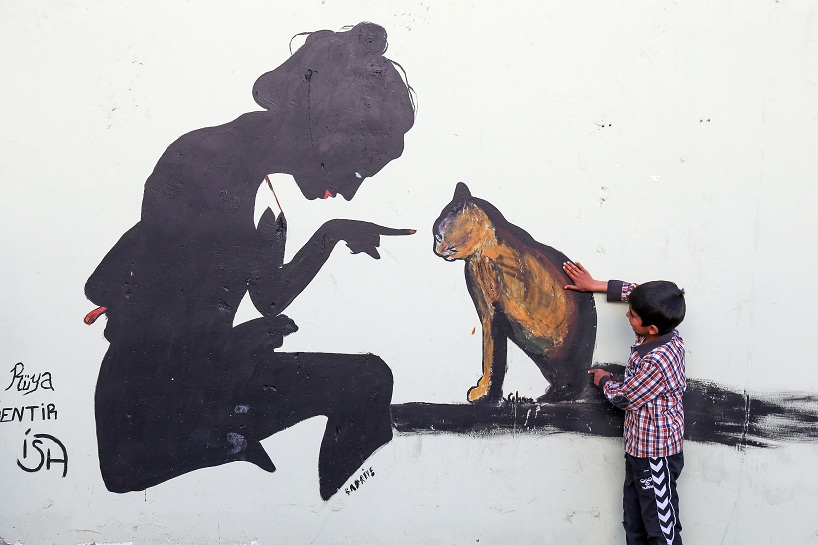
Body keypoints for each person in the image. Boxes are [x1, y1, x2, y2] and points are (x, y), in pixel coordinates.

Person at [84, 22, 415, 500]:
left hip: (203, 381)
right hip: (147, 412)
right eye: (359, 170)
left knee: (368, 380)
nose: (350, 189)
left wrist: (331, 233)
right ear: (326, 134)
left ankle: (338, 516)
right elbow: (152, 315)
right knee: (366, 383)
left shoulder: (263, 187)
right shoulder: (201, 161)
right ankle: (334, 513)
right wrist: (235, 344)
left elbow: (268, 297)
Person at [563, 261, 686, 545]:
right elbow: (637, 292)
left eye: (633, 315)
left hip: (656, 456)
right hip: (639, 450)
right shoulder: (665, 326)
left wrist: (604, 380)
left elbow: (626, 398)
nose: (627, 315)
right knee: (634, 520)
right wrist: (594, 285)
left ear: (651, 327)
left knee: (660, 528)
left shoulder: (658, 360)